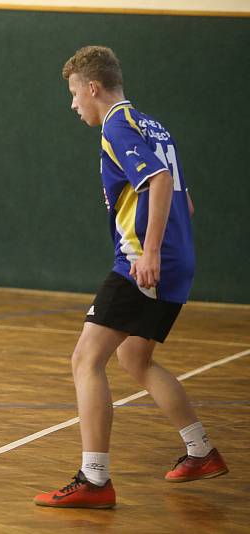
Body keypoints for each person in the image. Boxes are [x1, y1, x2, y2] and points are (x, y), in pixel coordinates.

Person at [34, 46, 228, 509]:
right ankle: (200, 450)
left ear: (93, 88)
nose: (73, 104)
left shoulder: (117, 125)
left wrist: (152, 251)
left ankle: (95, 479)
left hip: (143, 260)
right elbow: (186, 199)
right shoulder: (153, 125)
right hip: (179, 259)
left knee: (85, 359)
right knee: (135, 360)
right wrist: (170, 248)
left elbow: (158, 182)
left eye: (75, 93)